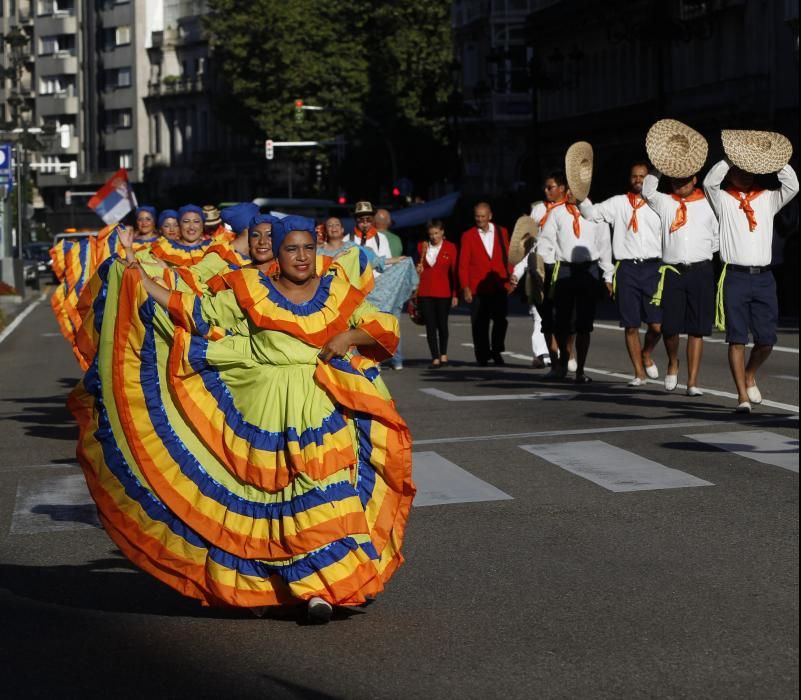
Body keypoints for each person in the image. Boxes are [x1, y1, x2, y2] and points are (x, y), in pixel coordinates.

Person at [68, 216, 414, 624]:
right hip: (263, 411)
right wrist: (141, 281)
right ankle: (268, 586)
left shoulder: (337, 289)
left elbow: (383, 326)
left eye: (307, 249)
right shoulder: (250, 288)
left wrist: (347, 338)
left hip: (321, 411)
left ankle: (320, 588)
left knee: (324, 492)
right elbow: (197, 311)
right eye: (291, 249)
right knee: (268, 504)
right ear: (278, 254)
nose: (301, 257)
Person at [703, 131, 798, 412]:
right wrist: (730, 158)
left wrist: (772, 160)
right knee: (736, 338)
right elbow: (709, 181)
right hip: (735, 277)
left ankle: (750, 373)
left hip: (764, 277)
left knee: (767, 339)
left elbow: (792, 186)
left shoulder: (767, 198)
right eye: (739, 170)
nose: (744, 175)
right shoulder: (722, 199)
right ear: (731, 172)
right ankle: (742, 396)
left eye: (749, 171)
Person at [579, 162, 664, 386]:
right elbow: (590, 214)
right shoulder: (617, 203)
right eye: (634, 176)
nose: (638, 180)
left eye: (643, 176)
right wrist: (580, 196)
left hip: (654, 268)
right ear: (630, 179)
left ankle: (646, 353)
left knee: (658, 326)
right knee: (631, 325)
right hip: (627, 269)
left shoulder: (660, 203)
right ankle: (639, 373)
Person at [642, 171, 718, 395]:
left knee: (697, 329)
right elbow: (647, 190)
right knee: (670, 327)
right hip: (673, 271)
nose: (680, 183)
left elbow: (716, 236)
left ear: (694, 180)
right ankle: (673, 362)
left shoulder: (708, 203)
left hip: (701, 270)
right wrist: (660, 167)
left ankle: (693, 382)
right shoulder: (665, 202)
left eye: (685, 179)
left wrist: (699, 253)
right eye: (675, 179)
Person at [538, 191, 613, 383]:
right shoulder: (557, 213)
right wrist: (547, 265)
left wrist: (608, 276)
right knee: (561, 323)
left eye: (576, 189)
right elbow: (545, 241)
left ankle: (580, 369)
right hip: (564, 269)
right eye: (568, 189)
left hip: (589, 270)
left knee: (584, 325)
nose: (571, 193)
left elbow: (604, 246)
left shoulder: (596, 213)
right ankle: (563, 361)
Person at [458, 202, 512, 366]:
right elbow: (463, 264)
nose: (480, 219)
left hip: (498, 284)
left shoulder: (502, 232)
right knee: (479, 322)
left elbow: (508, 256)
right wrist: (465, 287)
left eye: (483, 216)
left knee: (501, 320)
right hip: (477, 287)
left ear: (490, 216)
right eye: (477, 216)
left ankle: (496, 350)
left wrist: (511, 279)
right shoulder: (468, 235)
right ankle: (482, 354)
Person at [416, 219, 458, 368]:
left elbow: (454, 273)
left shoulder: (451, 248)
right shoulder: (422, 247)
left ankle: (444, 353)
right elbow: (418, 269)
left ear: (442, 232)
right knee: (430, 325)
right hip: (425, 291)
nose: (434, 236)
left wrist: (455, 294)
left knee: (442, 324)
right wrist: (418, 269)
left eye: (436, 233)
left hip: (443, 291)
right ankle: (435, 356)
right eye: (431, 234)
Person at [149, 204, 215, 266]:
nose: (191, 227)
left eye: (196, 221)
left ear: (202, 225)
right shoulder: (164, 247)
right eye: (186, 221)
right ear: (179, 225)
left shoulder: (214, 246)